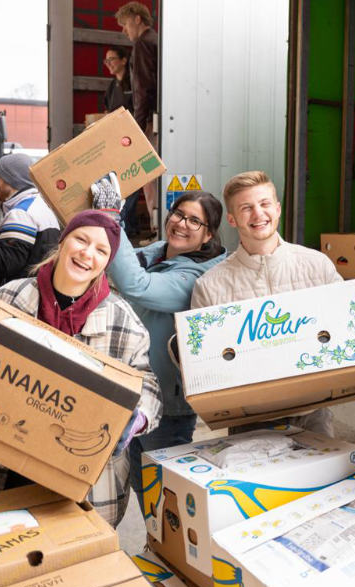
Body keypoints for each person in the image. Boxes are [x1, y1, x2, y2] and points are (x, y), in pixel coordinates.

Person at [0, 210, 162, 526]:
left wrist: (137, 418)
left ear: (106, 262)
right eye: (81, 239)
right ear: (62, 241)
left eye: (101, 250)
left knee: (80, 558)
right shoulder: (9, 298)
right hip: (15, 460)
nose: (87, 254)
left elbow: (147, 382)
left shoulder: (122, 320)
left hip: (87, 475)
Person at [190, 171, 342, 436]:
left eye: (264, 204)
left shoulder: (317, 266)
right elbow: (203, 362)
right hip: (249, 419)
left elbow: (350, 327)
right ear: (232, 219)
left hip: (313, 413)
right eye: (246, 208)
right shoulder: (210, 286)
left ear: (278, 209)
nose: (258, 214)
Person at [101, 187, 227, 507]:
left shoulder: (199, 275)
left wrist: (113, 220)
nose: (181, 224)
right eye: (178, 214)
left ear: (208, 234)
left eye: (194, 222)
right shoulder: (162, 251)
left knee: (162, 493)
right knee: (140, 482)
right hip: (134, 389)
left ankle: (167, 551)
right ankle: (152, 548)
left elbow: (136, 285)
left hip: (168, 405)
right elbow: (121, 262)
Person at [0, 153, 60, 291]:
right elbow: (17, 247)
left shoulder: (21, 214)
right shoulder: (38, 205)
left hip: (17, 296)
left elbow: (5, 263)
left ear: (11, 179)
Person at [116, 2, 159, 219]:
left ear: (137, 19)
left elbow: (143, 88)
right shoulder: (156, 41)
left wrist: (138, 126)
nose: (124, 31)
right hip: (156, 118)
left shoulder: (143, 43)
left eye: (125, 24)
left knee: (148, 173)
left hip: (150, 121)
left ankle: (155, 227)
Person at [103, 46, 143, 237]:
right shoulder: (112, 86)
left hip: (133, 140)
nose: (109, 64)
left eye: (112, 59)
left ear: (124, 60)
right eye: (106, 61)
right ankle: (127, 224)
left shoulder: (133, 83)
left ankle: (127, 224)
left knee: (133, 181)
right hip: (115, 141)